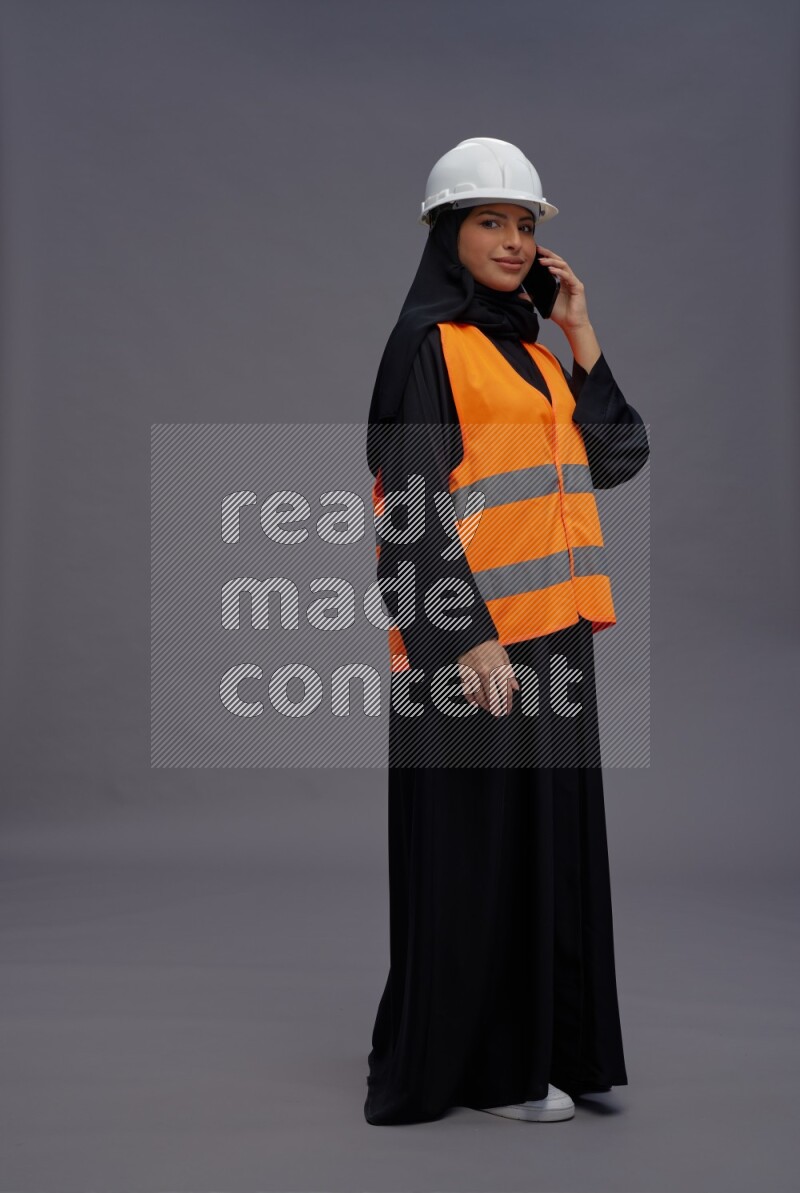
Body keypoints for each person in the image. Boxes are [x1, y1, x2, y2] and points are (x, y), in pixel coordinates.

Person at [363, 137, 649, 1126]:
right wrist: (466, 640)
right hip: (470, 645)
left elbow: (617, 460)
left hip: (552, 638)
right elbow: (406, 507)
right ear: (447, 233)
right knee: (477, 850)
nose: (513, 240)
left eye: (524, 225)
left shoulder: (532, 352)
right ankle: (484, 1067)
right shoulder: (424, 347)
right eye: (490, 220)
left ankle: (541, 1050)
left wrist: (581, 332)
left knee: (542, 844)